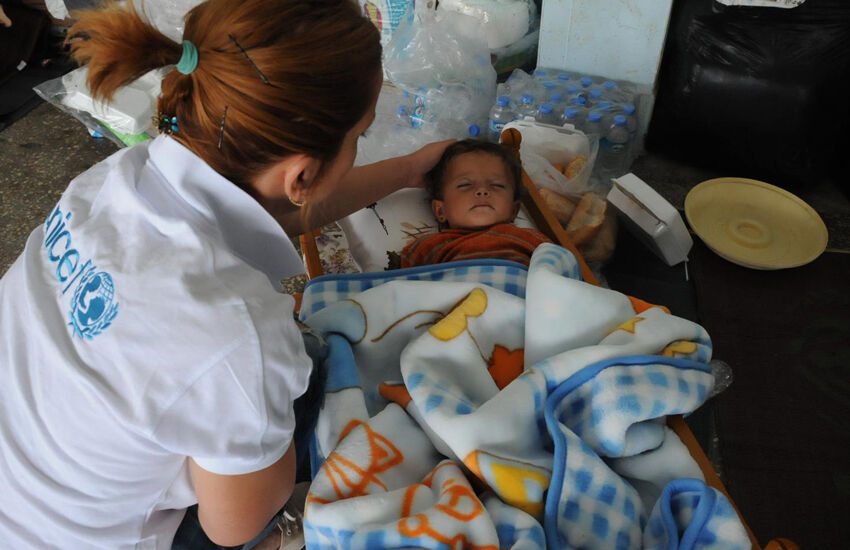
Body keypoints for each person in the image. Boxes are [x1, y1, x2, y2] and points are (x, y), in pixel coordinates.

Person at [0, 1, 451, 549]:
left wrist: (409, 169)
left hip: (24, 471)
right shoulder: (238, 336)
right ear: (302, 172)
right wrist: (289, 519)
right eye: (360, 136)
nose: (359, 149)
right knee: (309, 375)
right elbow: (231, 528)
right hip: (76, 537)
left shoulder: (117, 179)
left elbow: (283, 204)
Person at [399, 139, 551, 268]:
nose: (482, 191)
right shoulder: (428, 247)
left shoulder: (532, 240)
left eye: (497, 185)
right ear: (441, 211)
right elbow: (399, 288)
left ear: (514, 209)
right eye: (465, 185)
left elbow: (562, 272)